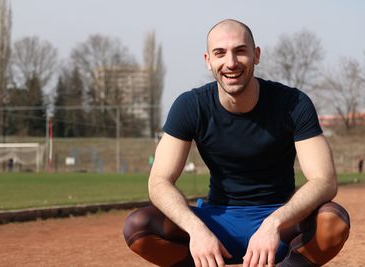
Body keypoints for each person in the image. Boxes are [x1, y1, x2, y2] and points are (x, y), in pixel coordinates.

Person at [123, 19, 350, 267]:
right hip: (218, 223)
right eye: (220, 53)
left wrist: (274, 223)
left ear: (256, 55)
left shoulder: (293, 103)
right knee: (138, 227)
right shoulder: (191, 105)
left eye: (240, 51)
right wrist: (196, 230)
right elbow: (158, 182)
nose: (230, 63)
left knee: (334, 220)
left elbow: (325, 181)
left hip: (282, 224)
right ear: (208, 60)